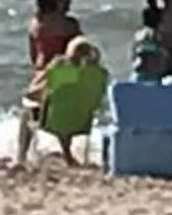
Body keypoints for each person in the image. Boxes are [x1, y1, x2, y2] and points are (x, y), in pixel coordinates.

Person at [17, 36, 110, 166]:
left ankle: (21, 156)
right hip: (82, 122)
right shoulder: (99, 75)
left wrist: (44, 74)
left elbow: (33, 93)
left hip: (54, 120)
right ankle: (68, 154)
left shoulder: (63, 72)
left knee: (27, 110)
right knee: (69, 106)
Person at [27, 0, 82, 73]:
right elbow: (81, 48)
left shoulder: (34, 24)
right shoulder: (69, 24)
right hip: (62, 69)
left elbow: (33, 54)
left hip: (41, 67)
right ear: (60, 3)